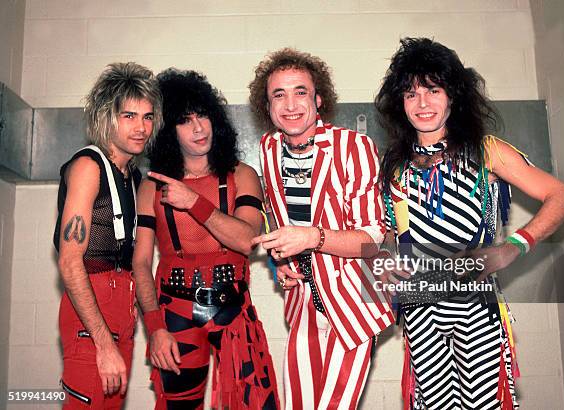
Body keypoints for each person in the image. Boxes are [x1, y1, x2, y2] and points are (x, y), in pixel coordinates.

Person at [375, 37, 564, 409]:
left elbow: (562, 197)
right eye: (411, 93)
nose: (422, 103)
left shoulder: (486, 151)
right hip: (420, 311)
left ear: (452, 95)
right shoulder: (395, 165)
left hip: (476, 307)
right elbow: (394, 231)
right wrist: (388, 259)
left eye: (433, 90)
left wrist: (514, 246)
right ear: (400, 103)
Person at [248, 48, 394, 409]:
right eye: (278, 95)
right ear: (267, 107)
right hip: (304, 299)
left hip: (355, 298)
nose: (290, 104)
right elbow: (278, 215)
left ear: (319, 98)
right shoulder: (270, 147)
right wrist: (279, 258)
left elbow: (373, 238)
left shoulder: (354, 147)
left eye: (300, 92)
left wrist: (311, 237)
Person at [132, 68, 279, 410]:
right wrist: (154, 327)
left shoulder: (242, 174)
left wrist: (193, 202)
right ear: (169, 130)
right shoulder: (152, 186)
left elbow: (246, 240)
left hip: (234, 309)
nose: (198, 128)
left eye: (203, 116)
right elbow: (139, 263)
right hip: (175, 312)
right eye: (185, 120)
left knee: (256, 403)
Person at [54, 62, 162, 408]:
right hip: (91, 310)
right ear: (106, 117)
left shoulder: (134, 176)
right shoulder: (89, 166)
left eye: (147, 117)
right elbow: (70, 263)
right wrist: (102, 343)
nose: (141, 127)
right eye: (129, 116)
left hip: (122, 309)